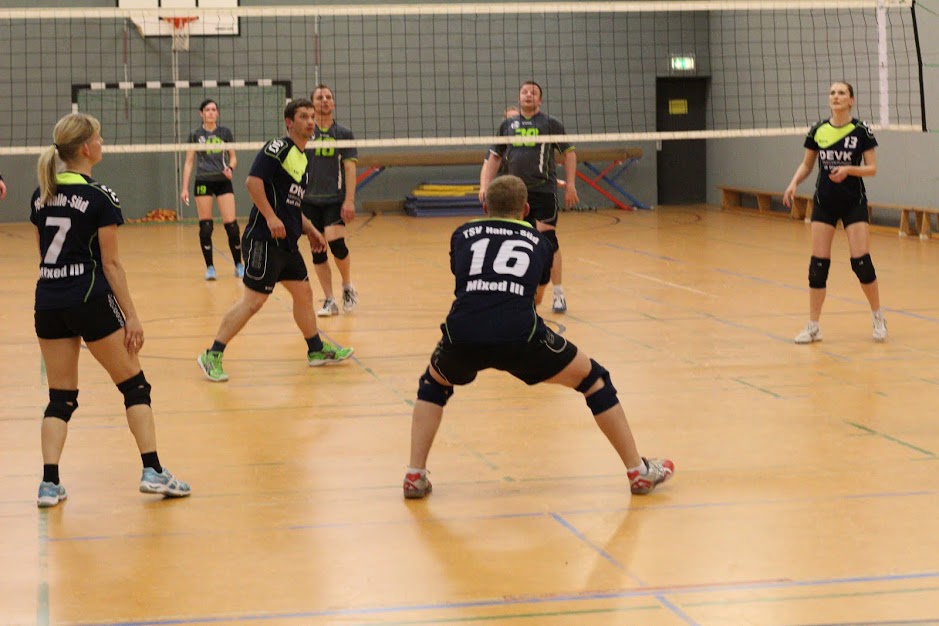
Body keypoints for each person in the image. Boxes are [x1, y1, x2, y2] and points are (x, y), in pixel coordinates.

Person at [402, 175, 673, 499]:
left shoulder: (461, 234)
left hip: (464, 333)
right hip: (521, 335)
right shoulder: (540, 243)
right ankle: (638, 472)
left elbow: (465, 279)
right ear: (526, 209)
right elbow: (536, 298)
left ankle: (415, 476)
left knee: (433, 384)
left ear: (485, 205)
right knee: (594, 380)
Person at [31, 113, 191, 507]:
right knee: (135, 386)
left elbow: (43, 252)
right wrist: (131, 315)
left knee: (60, 396)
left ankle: (49, 483)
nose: (102, 143)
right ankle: (152, 471)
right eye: (99, 138)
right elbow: (112, 264)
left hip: (48, 300)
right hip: (89, 298)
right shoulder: (100, 197)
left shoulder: (41, 193)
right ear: (86, 148)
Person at [197, 99, 354, 383]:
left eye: (312, 117)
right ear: (289, 122)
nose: (310, 121)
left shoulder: (303, 159)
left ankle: (316, 350)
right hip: (264, 239)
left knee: (304, 294)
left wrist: (310, 229)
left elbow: (292, 203)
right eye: (303, 116)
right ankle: (212, 354)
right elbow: (252, 182)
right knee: (253, 301)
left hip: (287, 243)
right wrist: (270, 217)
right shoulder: (278, 148)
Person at [783, 81, 885, 343]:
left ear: (851, 100)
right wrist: (794, 183)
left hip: (853, 202)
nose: (836, 96)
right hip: (824, 202)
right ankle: (813, 326)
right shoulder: (818, 129)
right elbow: (807, 165)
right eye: (832, 93)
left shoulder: (861, 130)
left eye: (841, 93)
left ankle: (878, 316)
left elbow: (872, 168)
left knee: (861, 263)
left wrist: (849, 169)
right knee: (818, 266)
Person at [480, 81, 578, 314]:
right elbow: (493, 157)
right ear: (519, 97)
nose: (528, 95)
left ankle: (558, 293)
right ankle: (514, 292)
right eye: (524, 92)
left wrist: (571, 184)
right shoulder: (507, 126)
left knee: (548, 241)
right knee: (513, 241)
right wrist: (484, 185)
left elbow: (569, 154)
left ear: (540, 100)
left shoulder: (550, 123)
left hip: (543, 191)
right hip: (514, 193)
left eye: (533, 93)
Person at [301, 85, 360, 317]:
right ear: (312, 105)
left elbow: (350, 168)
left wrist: (349, 201)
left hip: (335, 199)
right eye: (319, 97)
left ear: (333, 104)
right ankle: (329, 300)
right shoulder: (304, 133)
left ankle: (347, 287)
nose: (324, 100)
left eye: (328, 97)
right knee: (318, 250)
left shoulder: (343, 133)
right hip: (308, 200)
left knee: (337, 245)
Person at [180, 99, 243, 281]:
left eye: (214, 109)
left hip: (222, 180)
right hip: (203, 180)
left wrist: (230, 168)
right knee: (206, 226)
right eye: (207, 110)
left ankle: (239, 265)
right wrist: (184, 188)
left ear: (217, 113)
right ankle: (210, 268)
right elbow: (189, 162)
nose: (211, 112)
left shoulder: (225, 133)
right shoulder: (195, 135)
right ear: (201, 113)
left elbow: (233, 157)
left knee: (232, 226)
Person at [478, 106, 521, 187]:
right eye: (509, 118)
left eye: (516, 117)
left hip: (520, 183)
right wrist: (483, 187)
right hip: (501, 184)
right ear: (504, 120)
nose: (512, 120)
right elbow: (486, 165)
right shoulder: (498, 143)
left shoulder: (526, 143)